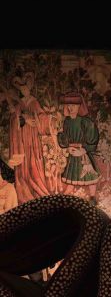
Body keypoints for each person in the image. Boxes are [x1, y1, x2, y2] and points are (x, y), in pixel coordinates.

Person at [9, 72, 55, 202]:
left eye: (26, 88)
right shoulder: (19, 104)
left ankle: (36, 188)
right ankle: (24, 189)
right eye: (21, 89)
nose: (24, 91)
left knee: (34, 161)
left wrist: (47, 118)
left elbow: (42, 117)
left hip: (33, 138)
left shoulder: (34, 102)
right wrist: (23, 119)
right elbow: (14, 120)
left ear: (29, 88)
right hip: (22, 139)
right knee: (24, 165)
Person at [57, 92, 100, 201]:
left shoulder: (85, 121)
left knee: (90, 175)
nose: (70, 108)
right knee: (72, 174)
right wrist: (68, 147)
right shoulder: (67, 121)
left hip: (83, 152)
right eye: (68, 105)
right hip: (72, 152)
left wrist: (83, 150)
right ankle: (67, 196)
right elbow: (65, 138)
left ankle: (92, 197)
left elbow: (93, 139)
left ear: (79, 106)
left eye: (74, 105)